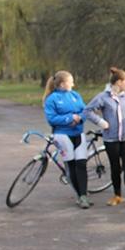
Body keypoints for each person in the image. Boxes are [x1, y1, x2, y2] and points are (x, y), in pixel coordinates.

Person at [85, 67, 125, 208]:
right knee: (115, 167)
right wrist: (101, 122)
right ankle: (117, 195)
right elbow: (87, 111)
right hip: (111, 139)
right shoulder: (103, 97)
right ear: (118, 82)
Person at [42, 70, 91, 209]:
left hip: (79, 133)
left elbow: (85, 111)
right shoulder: (52, 99)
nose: (73, 84)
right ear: (62, 84)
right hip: (62, 135)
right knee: (72, 166)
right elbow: (51, 119)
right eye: (71, 82)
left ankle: (83, 195)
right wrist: (69, 118)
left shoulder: (75, 95)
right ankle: (80, 196)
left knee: (82, 164)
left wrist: (79, 118)